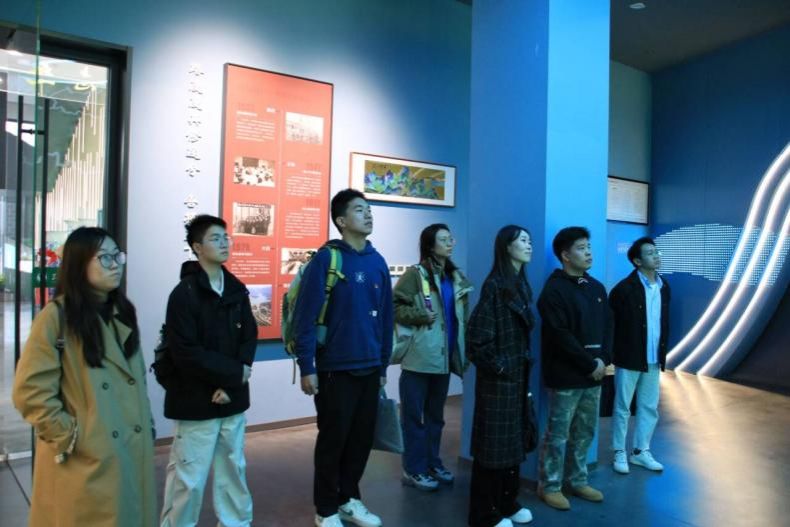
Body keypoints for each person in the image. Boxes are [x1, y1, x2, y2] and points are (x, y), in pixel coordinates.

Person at [13, 227, 157, 526]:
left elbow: (137, 380)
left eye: (117, 256)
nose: (115, 265)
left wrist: (148, 424)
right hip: (86, 458)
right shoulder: (56, 317)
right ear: (79, 264)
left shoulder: (122, 311)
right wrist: (71, 435)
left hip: (128, 449)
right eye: (105, 258)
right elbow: (30, 391)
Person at [293, 189, 393, 527]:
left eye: (369, 209)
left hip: (370, 367)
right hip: (335, 368)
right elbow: (305, 318)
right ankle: (326, 509)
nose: (368, 214)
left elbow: (387, 320)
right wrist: (307, 366)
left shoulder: (378, 262)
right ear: (341, 220)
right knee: (333, 441)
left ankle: (349, 498)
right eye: (359, 210)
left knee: (361, 440)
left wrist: (382, 365)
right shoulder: (326, 259)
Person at [159, 214, 257, 527]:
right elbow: (185, 352)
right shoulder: (184, 294)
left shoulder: (236, 289)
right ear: (197, 247)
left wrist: (230, 384)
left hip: (231, 398)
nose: (225, 243)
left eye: (226, 237)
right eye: (216, 238)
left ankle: (235, 523)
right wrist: (230, 376)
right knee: (189, 477)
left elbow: (249, 337)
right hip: (196, 399)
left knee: (233, 470)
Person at [392, 223, 473, 491]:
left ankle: (432, 463)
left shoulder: (456, 277)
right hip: (418, 359)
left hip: (444, 359)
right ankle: (413, 469)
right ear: (430, 245)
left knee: (436, 418)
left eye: (451, 238)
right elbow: (393, 306)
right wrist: (418, 315)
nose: (450, 243)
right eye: (444, 239)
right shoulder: (415, 275)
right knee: (414, 418)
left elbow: (462, 319)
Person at [537, 226, 612, 511]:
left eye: (588, 246)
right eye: (581, 248)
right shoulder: (553, 290)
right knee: (558, 434)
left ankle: (578, 480)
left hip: (595, 373)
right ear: (565, 255)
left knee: (585, 431)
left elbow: (609, 327)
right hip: (567, 375)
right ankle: (550, 486)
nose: (588, 252)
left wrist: (603, 359)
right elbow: (560, 335)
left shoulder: (596, 288)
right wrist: (589, 363)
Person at [466, 225, 537, 527]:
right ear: (507, 247)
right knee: (492, 450)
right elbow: (476, 341)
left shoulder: (520, 284)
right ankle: (484, 514)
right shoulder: (494, 286)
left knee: (513, 445)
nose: (529, 245)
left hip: (517, 380)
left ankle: (508, 502)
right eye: (523, 241)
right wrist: (502, 366)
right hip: (500, 381)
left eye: (530, 241)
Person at [609, 237, 670, 474]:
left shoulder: (664, 286)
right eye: (650, 253)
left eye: (657, 252)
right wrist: (612, 354)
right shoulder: (624, 289)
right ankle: (619, 451)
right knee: (622, 407)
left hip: (653, 357)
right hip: (629, 357)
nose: (656, 256)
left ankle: (640, 451)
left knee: (649, 407)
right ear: (637, 261)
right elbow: (612, 325)